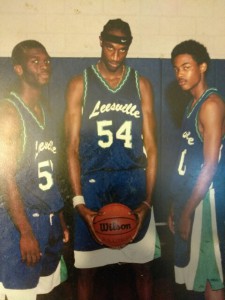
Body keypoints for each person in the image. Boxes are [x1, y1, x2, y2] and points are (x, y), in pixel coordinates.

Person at [65, 18, 161, 300]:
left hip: (132, 181)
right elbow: (71, 147)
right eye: (110, 48)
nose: (116, 56)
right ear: (101, 42)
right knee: (86, 271)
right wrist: (79, 203)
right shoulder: (79, 83)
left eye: (122, 50)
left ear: (128, 48)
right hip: (93, 182)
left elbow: (153, 148)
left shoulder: (141, 84)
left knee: (143, 268)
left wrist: (147, 202)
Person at [0, 40, 69, 300]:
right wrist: (25, 232)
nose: (44, 65)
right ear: (19, 69)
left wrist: (60, 219)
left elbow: (50, 173)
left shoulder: (45, 111)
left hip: (47, 220)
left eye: (47, 60)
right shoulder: (9, 112)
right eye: (35, 61)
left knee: (43, 292)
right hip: (20, 224)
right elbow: (5, 177)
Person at [168, 39, 225, 300]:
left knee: (209, 276)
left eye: (186, 67)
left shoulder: (211, 105)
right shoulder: (191, 104)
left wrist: (188, 212)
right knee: (197, 278)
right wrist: (175, 206)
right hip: (188, 197)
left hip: (205, 203)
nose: (180, 74)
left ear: (202, 67)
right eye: (176, 68)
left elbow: (210, 166)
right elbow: (186, 161)